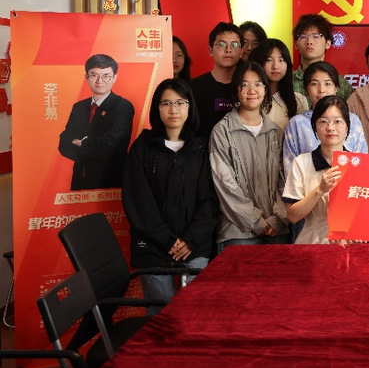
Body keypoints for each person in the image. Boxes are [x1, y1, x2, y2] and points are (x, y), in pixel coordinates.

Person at [121, 78, 217, 315]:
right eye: (166, 103)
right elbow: (138, 201)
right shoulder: (142, 148)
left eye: (180, 103)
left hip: (193, 244)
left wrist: (190, 239)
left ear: (189, 106)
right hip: (153, 246)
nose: (173, 110)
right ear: (157, 108)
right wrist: (167, 240)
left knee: (195, 309)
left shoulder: (201, 147)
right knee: (162, 312)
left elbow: (209, 199)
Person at [210, 61, 289, 251]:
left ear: (265, 89)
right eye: (245, 85)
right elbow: (225, 183)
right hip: (238, 232)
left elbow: (284, 180)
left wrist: (277, 219)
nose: (251, 90)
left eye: (258, 84)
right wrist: (256, 221)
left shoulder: (276, 132)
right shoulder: (222, 131)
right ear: (236, 90)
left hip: (277, 229)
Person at [58, 54, 134, 190]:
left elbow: (111, 144)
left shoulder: (123, 106)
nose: (100, 80)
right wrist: (93, 147)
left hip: (110, 179)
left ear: (114, 78)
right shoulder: (79, 107)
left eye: (106, 76)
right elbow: (64, 142)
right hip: (80, 179)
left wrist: (81, 143)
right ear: (86, 77)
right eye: (94, 75)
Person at [283, 95, 350, 244]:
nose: (330, 127)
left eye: (337, 121)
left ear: (347, 126)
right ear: (314, 126)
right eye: (323, 122)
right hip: (313, 243)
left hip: (350, 245)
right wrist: (320, 189)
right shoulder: (301, 163)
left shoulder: (358, 164)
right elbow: (293, 216)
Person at [284, 61, 368, 174]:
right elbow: (290, 167)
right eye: (314, 84)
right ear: (306, 90)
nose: (321, 90)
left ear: (336, 88)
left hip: (348, 183)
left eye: (327, 83)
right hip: (307, 183)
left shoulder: (352, 120)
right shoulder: (297, 123)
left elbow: (361, 161)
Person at [189, 22, 243, 138]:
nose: (228, 49)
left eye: (234, 45)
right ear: (210, 50)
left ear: (241, 52)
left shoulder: (248, 88)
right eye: (222, 44)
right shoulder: (193, 88)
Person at [292, 13, 354, 104]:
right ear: (296, 44)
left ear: (328, 43)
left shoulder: (342, 84)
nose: (309, 42)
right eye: (303, 36)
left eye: (316, 36)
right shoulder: (287, 82)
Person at [249, 38, 309, 131]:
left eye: (281, 60)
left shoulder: (298, 101)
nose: (275, 66)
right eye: (269, 60)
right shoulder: (249, 98)